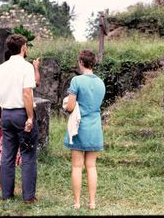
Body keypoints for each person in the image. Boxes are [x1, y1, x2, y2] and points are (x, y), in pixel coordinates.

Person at [0, 34, 39, 204]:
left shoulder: (1, 68)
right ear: (23, 47)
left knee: (7, 155)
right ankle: (28, 197)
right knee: (28, 154)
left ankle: (7, 194)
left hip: (6, 114)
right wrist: (30, 117)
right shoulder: (26, 67)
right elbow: (27, 93)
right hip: (21, 114)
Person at [63, 50, 106, 210]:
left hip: (80, 127)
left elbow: (71, 106)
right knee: (92, 166)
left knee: (76, 166)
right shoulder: (101, 82)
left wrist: (66, 106)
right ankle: (92, 203)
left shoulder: (76, 80)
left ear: (81, 62)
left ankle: (77, 203)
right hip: (95, 127)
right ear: (92, 63)